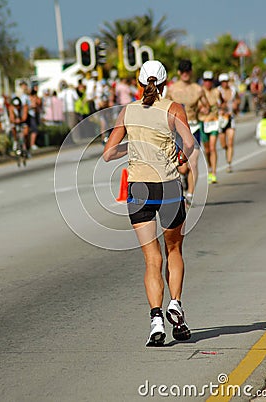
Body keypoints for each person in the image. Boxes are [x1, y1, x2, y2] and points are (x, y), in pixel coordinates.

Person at [103, 60, 194, 347]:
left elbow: (107, 154)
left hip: (139, 187)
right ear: (165, 83)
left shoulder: (128, 111)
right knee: (174, 249)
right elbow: (190, 144)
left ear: (139, 83)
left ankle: (156, 320)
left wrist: (132, 147)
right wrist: (179, 156)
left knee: (151, 260)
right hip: (167, 185)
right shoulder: (173, 108)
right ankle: (175, 304)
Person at [167, 59, 210, 205]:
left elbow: (206, 106)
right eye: (183, 71)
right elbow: (164, 106)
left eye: (188, 71)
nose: (185, 74)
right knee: (181, 166)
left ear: (191, 72)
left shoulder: (198, 89)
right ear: (179, 73)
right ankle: (183, 179)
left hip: (194, 127)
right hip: (177, 130)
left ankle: (190, 193)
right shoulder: (172, 89)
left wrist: (204, 109)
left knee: (193, 163)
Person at [199, 71, 220, 183]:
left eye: (210, 80)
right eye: (206, 80)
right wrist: (201, 108)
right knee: (207, 149)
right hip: (203, 122)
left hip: (214, 122)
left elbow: (222, 102)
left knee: (212, 147)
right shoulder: (200, 91)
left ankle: (214, 172)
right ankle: (210, 167)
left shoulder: (216, 91)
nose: (208, 83)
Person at [217, 73, 241, 173]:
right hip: (221, 119)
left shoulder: (233, 90)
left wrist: (236, 105)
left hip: (231, 118)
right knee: (223, 144)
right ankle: (226, 151)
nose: (224, 84)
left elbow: (238, 100)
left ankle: (229, 163)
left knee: (230, 141)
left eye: (226, 81)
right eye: (222, 82)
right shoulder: (218, 91)